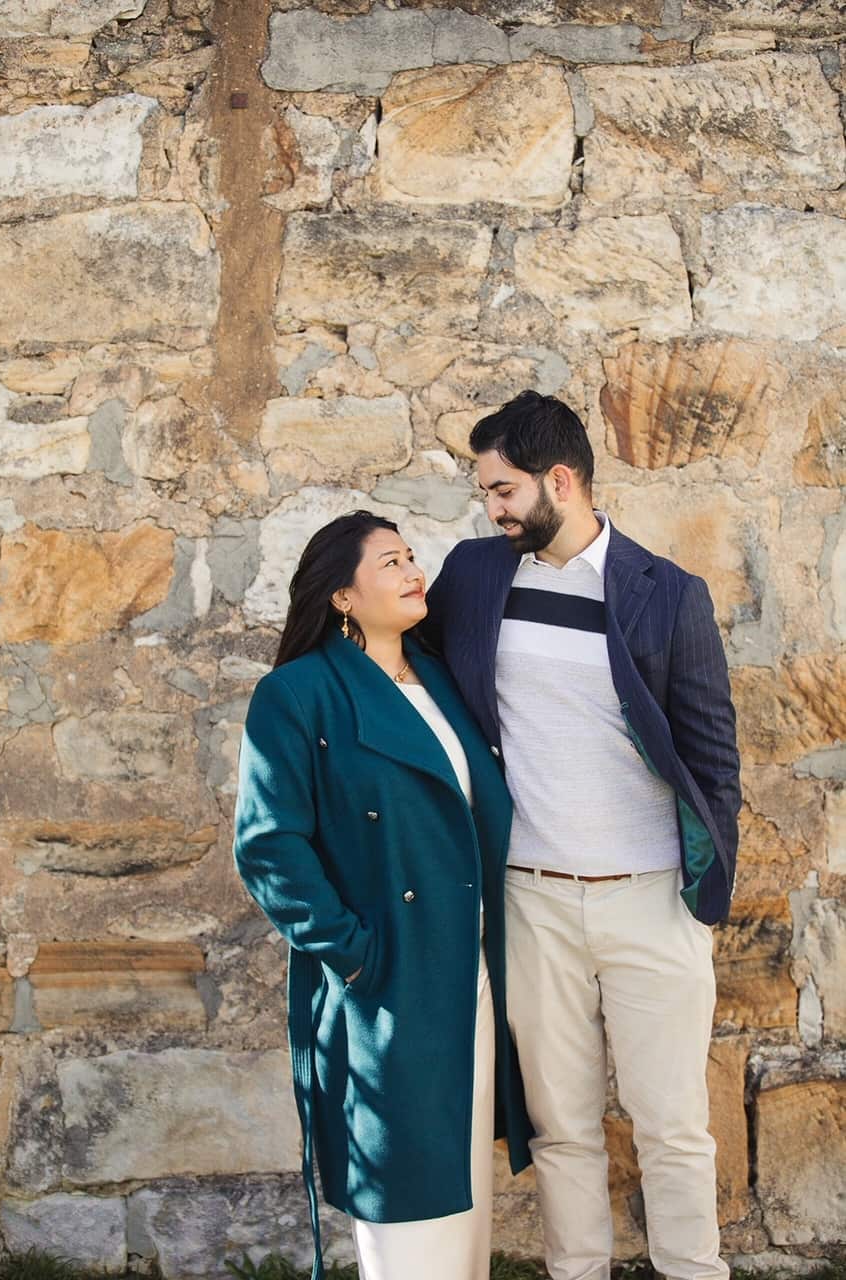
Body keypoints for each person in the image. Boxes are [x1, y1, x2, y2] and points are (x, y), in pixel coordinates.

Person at [424, 391, 741, 1280]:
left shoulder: (668, 595)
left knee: (671, 1124)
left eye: (502, 490)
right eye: (488, 493)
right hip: (533, 902)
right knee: (560, 1125)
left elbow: (715, 757)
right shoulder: (477, 577)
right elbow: (420, 684)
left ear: (560, 481)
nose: (490, 508)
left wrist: (706, 892)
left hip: (651, 901)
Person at [233, 510, 532, 1280]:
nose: (411, 572)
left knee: (462, 1192)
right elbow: (269, 846)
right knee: (406, 1201)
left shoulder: (441, 681)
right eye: (390, 562)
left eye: (411, 557)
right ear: (341, 595)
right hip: (389, 983)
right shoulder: (296, 695)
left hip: (469, 972)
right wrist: (358, 953)